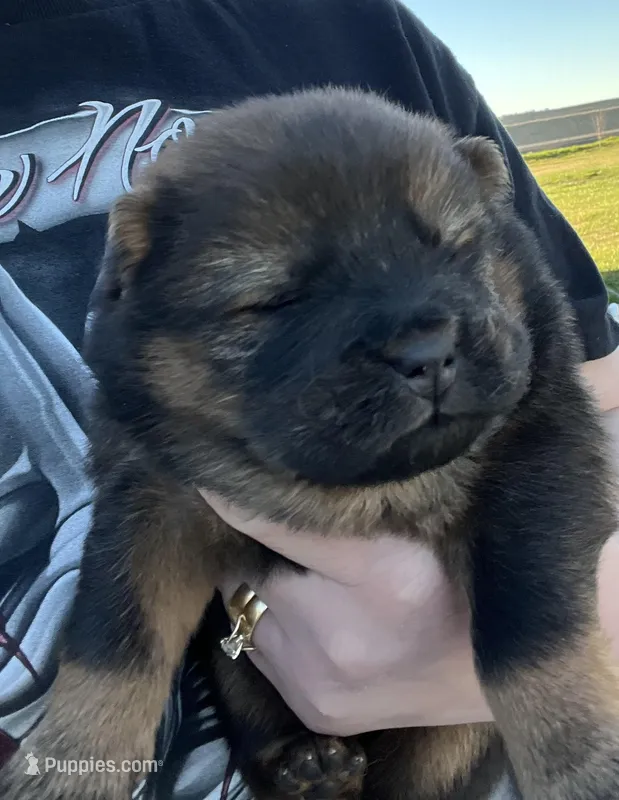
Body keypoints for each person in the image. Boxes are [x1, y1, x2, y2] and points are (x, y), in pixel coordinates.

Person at [1, 1, 618, 798]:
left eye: (459, 252)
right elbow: (146, 534)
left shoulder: (348, 23)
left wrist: (567, 715)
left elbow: (581, 412)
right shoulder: (155, 406)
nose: (423, 347)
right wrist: (82, 755)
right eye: (275, 302)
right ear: (131, 294)